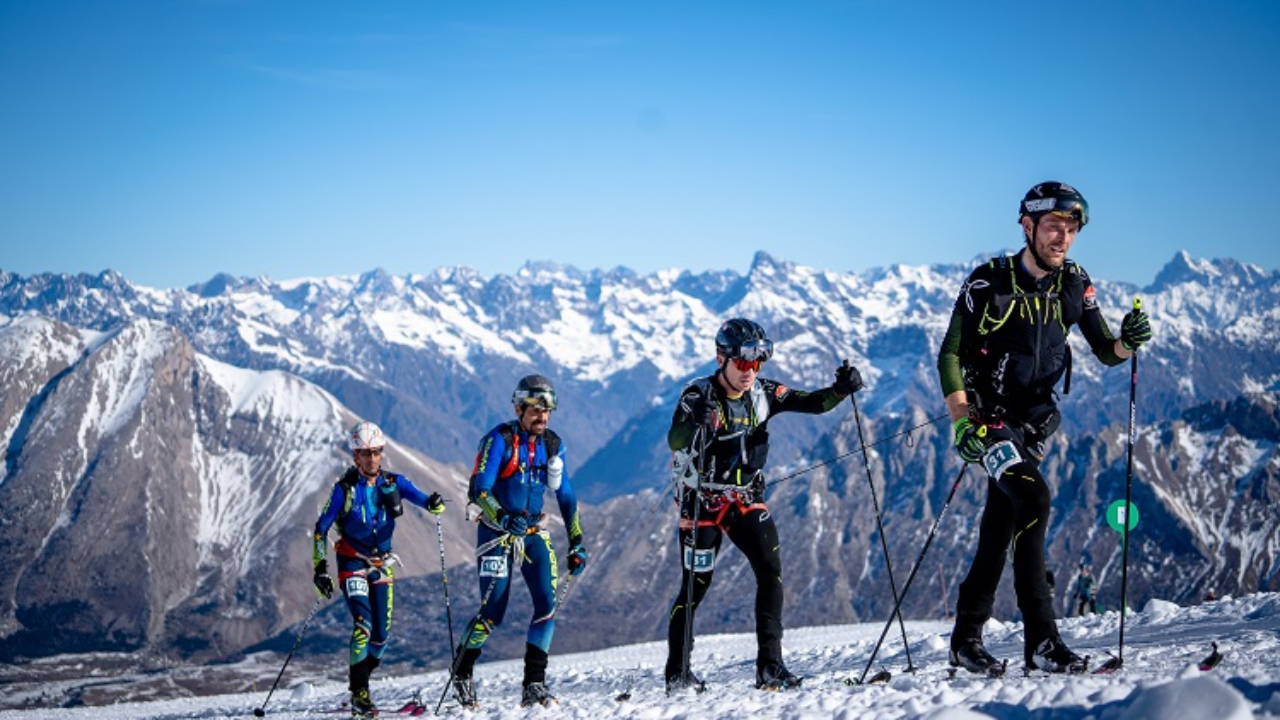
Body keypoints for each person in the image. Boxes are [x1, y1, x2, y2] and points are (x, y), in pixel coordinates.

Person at [937, 181, 1153, 675]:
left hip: (1033, 427)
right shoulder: (987, 283)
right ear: (1028, 225)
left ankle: (965, 641)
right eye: (1054, 226)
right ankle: (1042, 641)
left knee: (1000, 526)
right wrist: (961, 421)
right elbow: (950, 354)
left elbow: (1105, 351)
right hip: (988, 422)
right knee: (1033, 499)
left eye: (1071, 229)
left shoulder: (1074, 283)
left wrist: (1127, 342)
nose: (1063, 238)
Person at [665, 318, 865, 692]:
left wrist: (840, 390)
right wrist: (696, 424)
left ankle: (770, 667)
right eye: (742, 363)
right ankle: (677, 674)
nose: (750, 371)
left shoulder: (764, 393)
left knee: (770, 569)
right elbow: (674, 440)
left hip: (745, 500)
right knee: (695, 587)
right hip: (701, 504)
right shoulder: (697, 394)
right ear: (721, 358)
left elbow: (813, 403)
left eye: (756, 363)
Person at [450, 374, 585, 709]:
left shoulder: (552, 444)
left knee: (546, 605)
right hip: (496, 533)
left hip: (533, 532)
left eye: (547, 410)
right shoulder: (499, 440)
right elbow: (480, 490)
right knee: (492, 612)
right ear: (519, 408)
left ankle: (534, 684)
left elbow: (566, 495)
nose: (542, 416)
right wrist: (503, 517)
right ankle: (462, 671)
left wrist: (576, 540)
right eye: (536, 409)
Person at [313, 421, 446, 719]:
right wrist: (320, 569)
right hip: (351, 562)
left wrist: (434, 503)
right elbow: (321, 529)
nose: (372, 458)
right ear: (355, 456)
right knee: (363, 625)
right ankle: (360, 695)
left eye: (376, 452)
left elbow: (423, 499)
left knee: (381, 637)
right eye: (365, 453)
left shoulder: (395, 483)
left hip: (382, 564)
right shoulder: (344, 490)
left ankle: (358, 684)